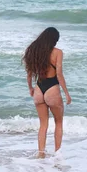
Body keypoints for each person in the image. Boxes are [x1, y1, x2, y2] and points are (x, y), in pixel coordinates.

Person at [23, 27, 71, 158]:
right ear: (54, 40)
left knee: (43, 125)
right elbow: (59, 74)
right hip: (52, 89)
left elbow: (29, 73)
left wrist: (31, 88)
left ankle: (41, 153)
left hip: (39, 88)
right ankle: (57, 154)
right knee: (59, 123)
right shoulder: (58, 53)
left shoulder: (34, 51)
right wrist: (66, 93)